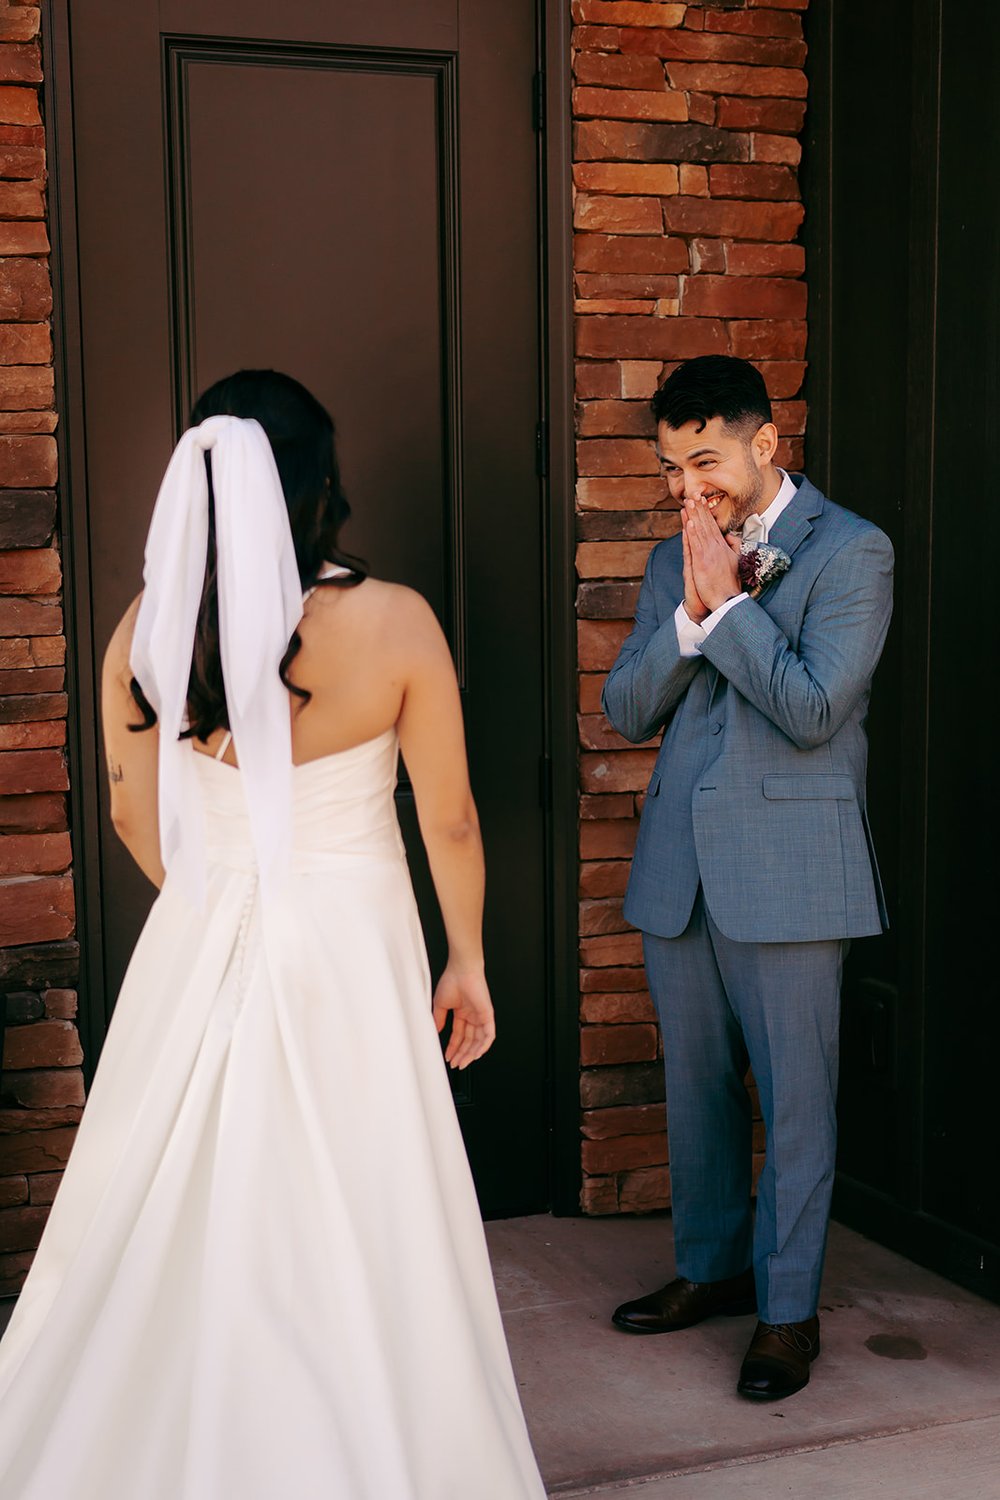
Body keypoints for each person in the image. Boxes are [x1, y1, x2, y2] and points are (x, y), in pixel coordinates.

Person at [0, 370, 546, 1498]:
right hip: (348, 944)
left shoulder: (141, 640)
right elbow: (445, 815)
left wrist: (221, 896)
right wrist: (467, 961)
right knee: (357, 1191)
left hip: (196, 941)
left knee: (172, 1191)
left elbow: (129, 815)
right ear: (317, 488)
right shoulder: (394, 623)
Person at [602, 355, 893, 1401]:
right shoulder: (669, 560)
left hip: (792, 870)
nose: (689, 489)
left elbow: (814, 709)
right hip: (679, 870)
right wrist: (685, 619)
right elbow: (628, 709)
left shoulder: (853, 552)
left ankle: (784, 1313)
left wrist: (726, 611)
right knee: (697, 1093)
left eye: (706, 460)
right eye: (673, 468)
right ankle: (712, 1268)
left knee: (797, 1100)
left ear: (766, 442)